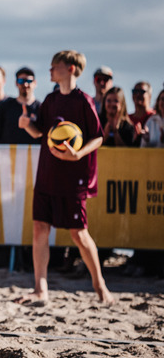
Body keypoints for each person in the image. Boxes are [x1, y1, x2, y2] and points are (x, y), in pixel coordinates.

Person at [17, 50, 113, 305]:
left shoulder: (83, 101)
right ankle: (40, 289)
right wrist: (27, 125)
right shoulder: (50, 100)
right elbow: (40, 132)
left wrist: (78, 154)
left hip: (73, 178)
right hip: (47, 174)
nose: (50, 70)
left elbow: (98, 137)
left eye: (54, 66)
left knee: (78, 234)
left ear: (70, 68)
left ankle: (100, 287)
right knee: (40, 229)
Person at [0, 67, 41, 144]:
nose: (25, 84)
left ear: (35, 83)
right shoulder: (5, 106)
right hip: (6, 151)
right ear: (16, 83)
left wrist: (29, 126)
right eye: (21, 81)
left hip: (34, 151)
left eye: (29, 81)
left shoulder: (41, 108)